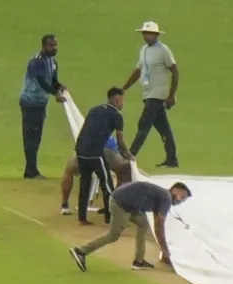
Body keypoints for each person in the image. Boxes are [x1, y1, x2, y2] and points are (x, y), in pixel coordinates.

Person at [69, 181, 192, 272]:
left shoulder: (162, 196)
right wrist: (165, 250)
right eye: (183, 196)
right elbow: (159, 225)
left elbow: (157, 222)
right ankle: (81, 251)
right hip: (121, 204)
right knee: (113, 235)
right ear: (175, 190)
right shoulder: (166, 198)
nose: (182, 200)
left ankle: (139, 261)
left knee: (143, 224)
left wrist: (164, 249)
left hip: (128, 204)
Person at [122, 21, 180, 168]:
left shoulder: (163, 50)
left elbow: (175, 71)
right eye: (145, 34)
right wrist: (124, 88)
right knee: (163, 127)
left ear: (156, 35)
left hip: (158, 94)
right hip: (148, 93)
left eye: (150, 34)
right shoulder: (144, 50)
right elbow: (138, 71)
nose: (147, 36)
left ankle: (129, 156)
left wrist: (172, 95)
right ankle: (172, 158)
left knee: (144, 124)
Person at [73, 88, 133, 226]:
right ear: (116, 100)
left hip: (80, 150)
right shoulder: (116, 116)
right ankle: (110, 217)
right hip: (94, 152)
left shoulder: (94, 110)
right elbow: (120, 140)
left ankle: (82, 217)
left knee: (85, 183)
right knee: (107, 185)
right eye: (121, 101)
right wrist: (128, 155)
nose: (122, 104)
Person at [19, 34, 67, 179]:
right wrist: (56, 94)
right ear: (44, 46)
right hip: (30, 102)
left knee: (36, 136)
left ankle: (31, 169)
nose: (54, 48)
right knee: (31, 137)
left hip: (40, 103)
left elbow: (52, 81)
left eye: (55, 45)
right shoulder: (37, 62)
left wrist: (60, 87)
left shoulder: (53, 62)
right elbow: (42, 82)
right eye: (51, 45)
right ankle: (30, 171)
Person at [60, 134, 132, 216]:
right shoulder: (111, 132)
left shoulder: (90, 128)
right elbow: (120, 144)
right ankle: (115, 205)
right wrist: (128, 155)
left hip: (86, 149)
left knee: (69, 170)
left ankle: (64, 205)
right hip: (108, 150)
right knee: (125, 171)